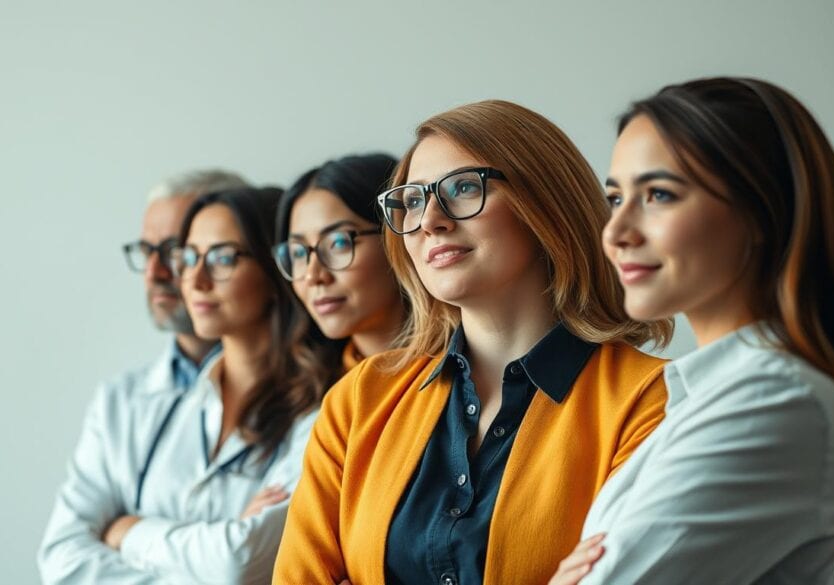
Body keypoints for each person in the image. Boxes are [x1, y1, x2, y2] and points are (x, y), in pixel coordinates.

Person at [273, 100, 674, 585]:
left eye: (464, 188)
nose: (430, 220)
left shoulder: (653, 403)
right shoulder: (359, 401)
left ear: (546, 202)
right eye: (414, 200)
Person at [549, 77, 834, 585]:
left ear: (761, 211)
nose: (616, 233)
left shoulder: (775, 400)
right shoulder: (713, 394)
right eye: (614, 198)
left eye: (659, 195)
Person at [93, 186, 336, 584]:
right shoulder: (186, 400)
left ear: (274, 270)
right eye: (189, 258)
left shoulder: (323, 405)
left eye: (223, 258)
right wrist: (208, 551)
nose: (196, 280)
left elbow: (240, 561)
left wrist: (128, 531)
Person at [39, 170, 248, 584]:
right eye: (146, 250)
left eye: (175, 250)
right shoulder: (119, 401)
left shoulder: (308, 397)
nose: (154, 271)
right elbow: (63, 558)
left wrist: (125, 533)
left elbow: (248, 561)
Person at [273, 153, 405, 374]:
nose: (313, 275)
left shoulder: (468, 376)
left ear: (397, 237)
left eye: (339, 242)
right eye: (298, 253)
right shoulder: (315, 395)